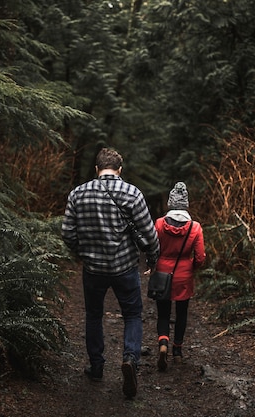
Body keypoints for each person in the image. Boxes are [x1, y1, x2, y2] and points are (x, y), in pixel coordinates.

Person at [61, 147, 160, 399]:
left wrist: (82, 253)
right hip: (125, 267)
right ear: (120, 169)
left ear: (96, 169)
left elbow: (67, 234)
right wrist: (152, 256)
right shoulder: (132, 193)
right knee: (132, 314)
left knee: (94, 315)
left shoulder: (78, 193)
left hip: (93, 269)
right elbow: (149, 233)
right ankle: (130, 360)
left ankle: (96, 367)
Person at [152, 182, 206, 371]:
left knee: (163, 313)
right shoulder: (195, 227)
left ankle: (163, 344)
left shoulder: (159, 223)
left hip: (162, 273)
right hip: (184, 274)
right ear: (186, 204)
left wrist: (153, 265)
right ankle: (177, 351)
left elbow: (153, 248)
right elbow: (200, 257)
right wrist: (191, 267)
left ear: (170, 203)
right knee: (182, 313)